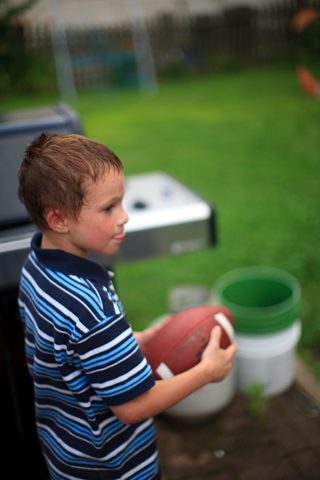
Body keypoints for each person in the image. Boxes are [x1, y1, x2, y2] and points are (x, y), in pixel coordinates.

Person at [18, 132, 237, 480]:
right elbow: (133, 406)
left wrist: (136, 338)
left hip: (67, 451)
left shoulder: (36, 266)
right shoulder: (91, 306)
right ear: (59, 220)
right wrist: (206, 373)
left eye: (122, 202)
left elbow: (67, 348)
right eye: (108, 208)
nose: (124, 217)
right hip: (113, 465)